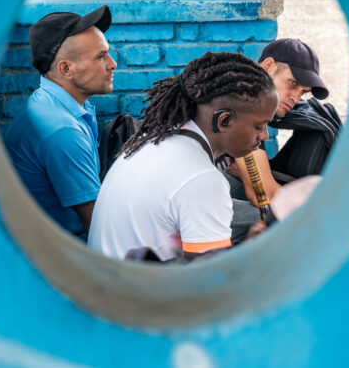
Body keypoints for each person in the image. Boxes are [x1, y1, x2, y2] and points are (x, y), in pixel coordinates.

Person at [87, 52, 278, 261]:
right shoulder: (203, 180)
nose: (264, 136)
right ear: (224, 120)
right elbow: (206, 279)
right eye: (259, 126)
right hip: (138, 290)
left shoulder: (153, 136)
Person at [4, 5, 116, 240]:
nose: (112, 64)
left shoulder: (55, 103)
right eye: (100, 56)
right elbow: (101, 231)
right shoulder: (63, 131)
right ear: (66, 69)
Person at [225, 38, 332, 206]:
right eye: (293, 83)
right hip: (187, 214)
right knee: (282, 216)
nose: (296, 98)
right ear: (268, 66)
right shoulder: (243, 102)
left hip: (200, 200)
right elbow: (262, 194)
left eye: (303, 92)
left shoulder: (242, 90)